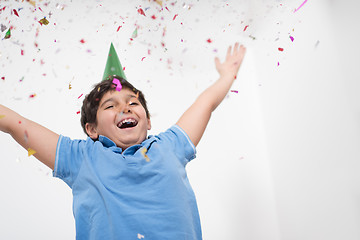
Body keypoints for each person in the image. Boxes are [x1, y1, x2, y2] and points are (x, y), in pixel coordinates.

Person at [0, 42, 246, 239]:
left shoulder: (169, 146)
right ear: (92, 128)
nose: (125, 108)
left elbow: (205, 104)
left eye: (133, 103)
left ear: (148, 121)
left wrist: (227, 76)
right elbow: (15, 124)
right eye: (110, 105)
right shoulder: (81, 157)